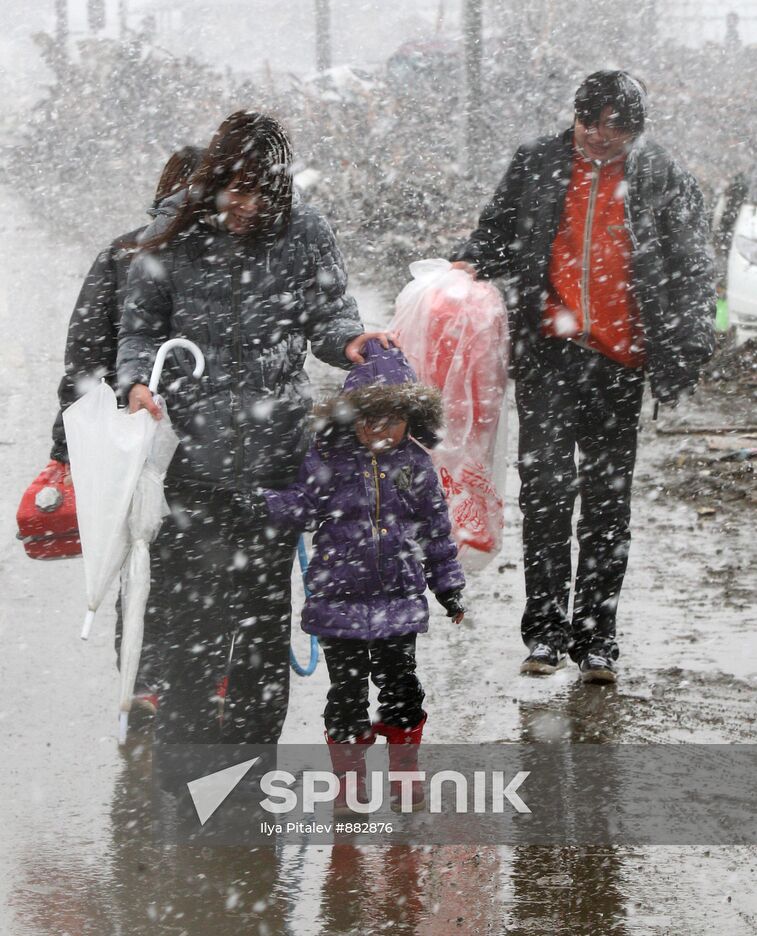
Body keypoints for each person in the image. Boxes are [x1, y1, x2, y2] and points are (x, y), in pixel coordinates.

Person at [117, 110, 391, 745]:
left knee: (264, 621)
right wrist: (134, 382)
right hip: (190, 462)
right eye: (237, 191)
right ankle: (182, 760)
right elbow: (139, 331)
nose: (248, 206)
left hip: (275, 465)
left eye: (263, 193)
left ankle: (252, 755)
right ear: (215, 183)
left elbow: (330, 314)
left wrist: (353, 341)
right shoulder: (175, 234)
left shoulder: (304, 231)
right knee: (190, 622)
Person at [453, 71, 715, 684]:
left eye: (617, 126)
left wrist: (690, 338)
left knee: (606, 503)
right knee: (544, 491)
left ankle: (598, 639)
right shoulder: (538, 162)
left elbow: (691, 263)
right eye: (590, 121)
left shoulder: (660, 176)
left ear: (636, 130)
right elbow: (496, 231)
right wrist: (467, 260)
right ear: (575, 117)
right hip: (550, 354)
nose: (600, 136)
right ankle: (544, 633)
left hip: (620, 363)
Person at [241, 340, 465, 812]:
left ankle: (404, 771)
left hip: (399, 602)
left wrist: (449, 586)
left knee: (402, 686)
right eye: (368, 419)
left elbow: (435, 532)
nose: (379, 431)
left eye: (392, 419)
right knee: (346, 692)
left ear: (411, 418)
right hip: (337, 600)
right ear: (350, 418)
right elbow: (300, 505)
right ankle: (349, 781)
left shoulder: (416, 466)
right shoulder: (327, 460)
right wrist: (258, 503)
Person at [49, 145, 204, 709]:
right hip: (159, 435)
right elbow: (88, 356)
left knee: (152, 553)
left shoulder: (126, 252)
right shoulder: (127, 254)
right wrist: (67, 446)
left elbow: (85, 360)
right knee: (153, 549)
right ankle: (153, 681)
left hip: (159, 437)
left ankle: (149, 680)